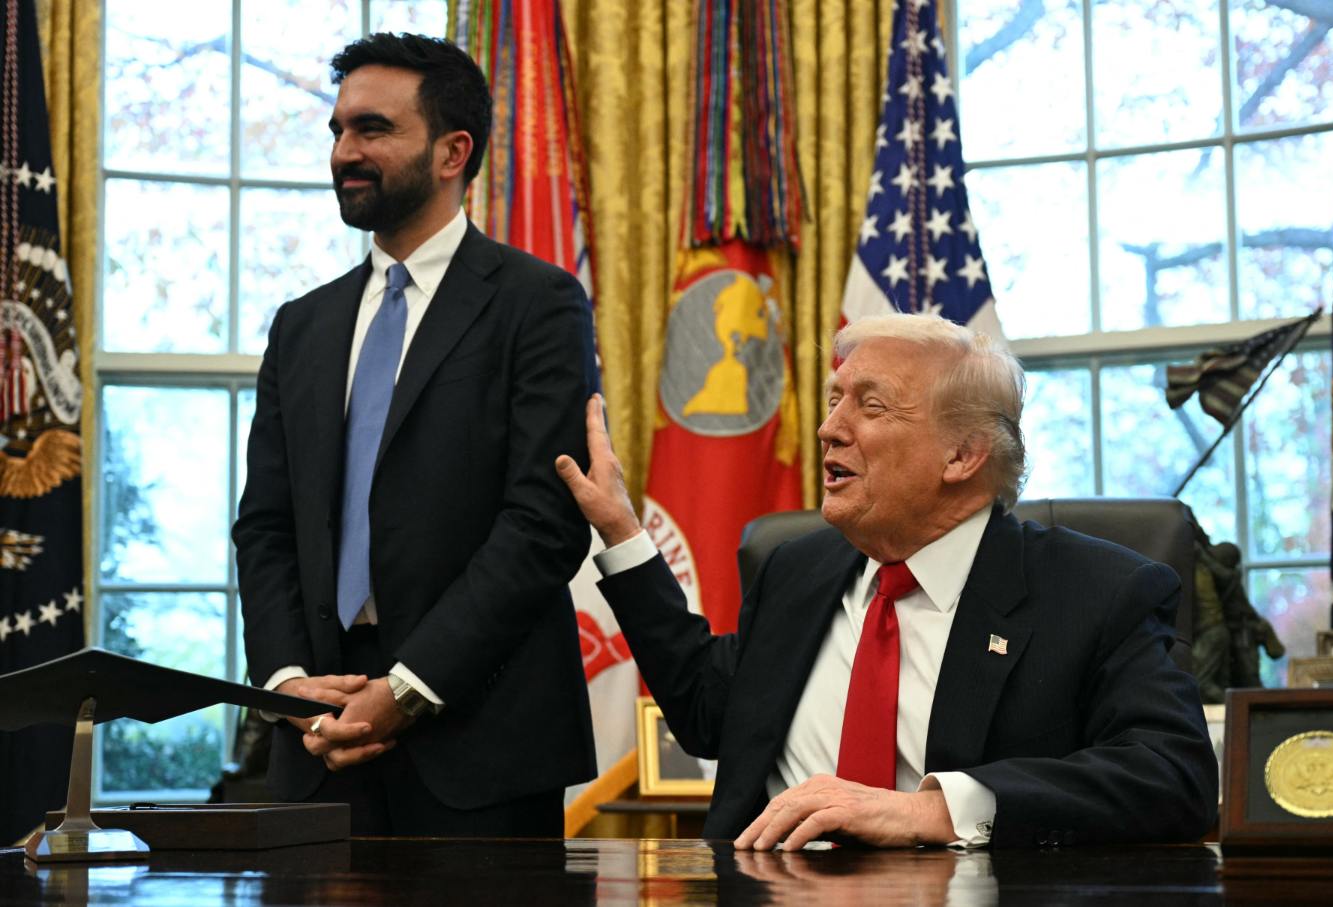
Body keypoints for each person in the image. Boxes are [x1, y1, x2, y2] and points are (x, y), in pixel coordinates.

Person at [556, 312, 1217, 849]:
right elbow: (707, 711)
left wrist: (932, 810)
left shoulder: (1099, 592)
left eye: (869, 405)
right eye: (834, 398)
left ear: (961, 454)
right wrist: (621, 531)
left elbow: (1173, 775)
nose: (827, 427)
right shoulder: (798, 569)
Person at [233, 32, 598, 836]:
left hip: (480, 748)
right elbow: (265, 527)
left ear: (451, 151)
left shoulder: (539, 306)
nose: (344, 151)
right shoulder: (301, 325)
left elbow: (543, 522)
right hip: (316, 745)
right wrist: (289, 682)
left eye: (372, 129)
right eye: (337, 131)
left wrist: (405, 689)